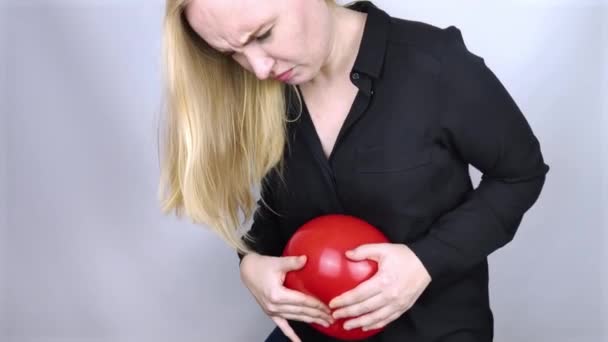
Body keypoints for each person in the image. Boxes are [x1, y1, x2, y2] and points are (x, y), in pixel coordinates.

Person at [157, 0, 550, 341]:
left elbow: (520, 174)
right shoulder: (267, 93)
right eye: (232, 53)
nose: (257, 68)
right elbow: (280, 207)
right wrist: (250, 264)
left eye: (263, 34)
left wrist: (425, 261)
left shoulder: (436, 64)